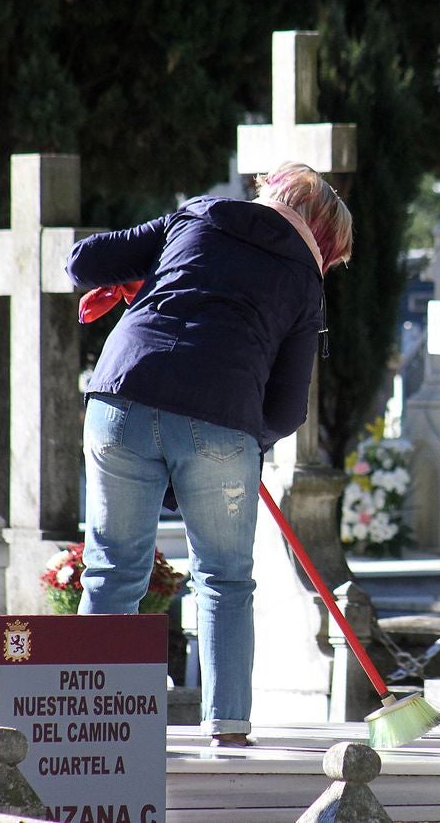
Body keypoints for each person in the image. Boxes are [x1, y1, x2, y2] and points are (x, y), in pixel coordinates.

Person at [65, 162, 352, 747]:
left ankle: (86, 725)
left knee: (112, 567)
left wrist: (149, 270)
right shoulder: (304, 282)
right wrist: (249, 443)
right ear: (322, 240)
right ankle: (226, 725)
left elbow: (83, 261)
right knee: (223, 579)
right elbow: (289, 406)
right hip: (222, 421)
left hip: (122, 396)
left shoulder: (197, 216)